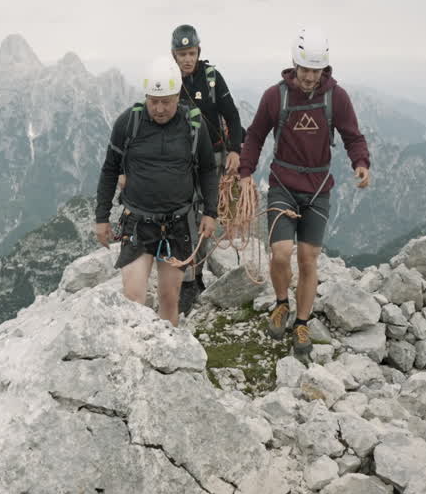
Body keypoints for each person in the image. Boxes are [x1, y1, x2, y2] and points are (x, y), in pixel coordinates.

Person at [237, 27, 371, 360]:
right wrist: (245, 173)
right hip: (282, 184)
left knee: (308, 259)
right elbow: (255, 136)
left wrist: (361, 163)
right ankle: (282, 303)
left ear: (325, 68)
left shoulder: (336, 97)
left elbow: (352, 136)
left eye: (317, 70)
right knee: (281, 252)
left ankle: (301, 322)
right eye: (305, 69)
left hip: (318, 189)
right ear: (294, 65)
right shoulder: (275, 96)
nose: (311, 77)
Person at [95, 57, 219, 326]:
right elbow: (110, 169)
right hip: (138, 223)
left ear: (177, 97)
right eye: (154, 101)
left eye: (166, 102)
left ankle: (167, 350)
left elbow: (209, 169)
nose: (160, 109)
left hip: (178, 224)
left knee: (169, 298)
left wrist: (211, 212)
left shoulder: (193, 125)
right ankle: (134, 348)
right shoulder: (129, 122)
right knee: (133, 297)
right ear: (146, 97)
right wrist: (101, 218)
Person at [170, 23, 245, 314]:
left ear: (198, 52)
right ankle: (189, 278)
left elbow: (233, 116)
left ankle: (195, 276)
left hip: (211, 159)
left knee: (203, 214)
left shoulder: (212, 79)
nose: (187, 59)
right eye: (182, 54)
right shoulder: (168, 79)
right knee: (185, 215)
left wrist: (235, 150)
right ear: (174, 55)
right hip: (180, 160)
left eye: (191, 53)